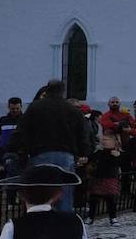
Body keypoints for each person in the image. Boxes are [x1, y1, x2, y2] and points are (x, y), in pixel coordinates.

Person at [7, 80, 90, 214]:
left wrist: (13, 148)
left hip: (40, 152)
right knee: (65, 190)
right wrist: (84, 152)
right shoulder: (71, 109)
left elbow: (22, 130)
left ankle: (41, 219)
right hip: (65, 154)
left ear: (48, 89)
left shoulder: (35, 107)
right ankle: (64, 222)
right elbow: (82, 132)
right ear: (62, 91)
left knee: (42, 190)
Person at [85, 132, 124, 225]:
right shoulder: (99, 153)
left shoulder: (116, 153)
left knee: (111, 199)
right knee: (93, 199)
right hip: (98, 178)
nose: (104, 141)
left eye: (106, 140)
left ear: (114, 142)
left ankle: (113, 217)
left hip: (110, 178)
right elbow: (90, 159)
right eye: (103, 139)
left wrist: (118, 156)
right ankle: (90, 217)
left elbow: (120, 163)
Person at [0, 97, 24, 202]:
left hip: (20, 151)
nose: (14, 111)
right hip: (4, 150)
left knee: (19, 173)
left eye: (17, 108)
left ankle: (17, 196)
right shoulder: (3, 120)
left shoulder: (25, 119)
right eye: (12, 109)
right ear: (8, 107)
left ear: (21, 107)